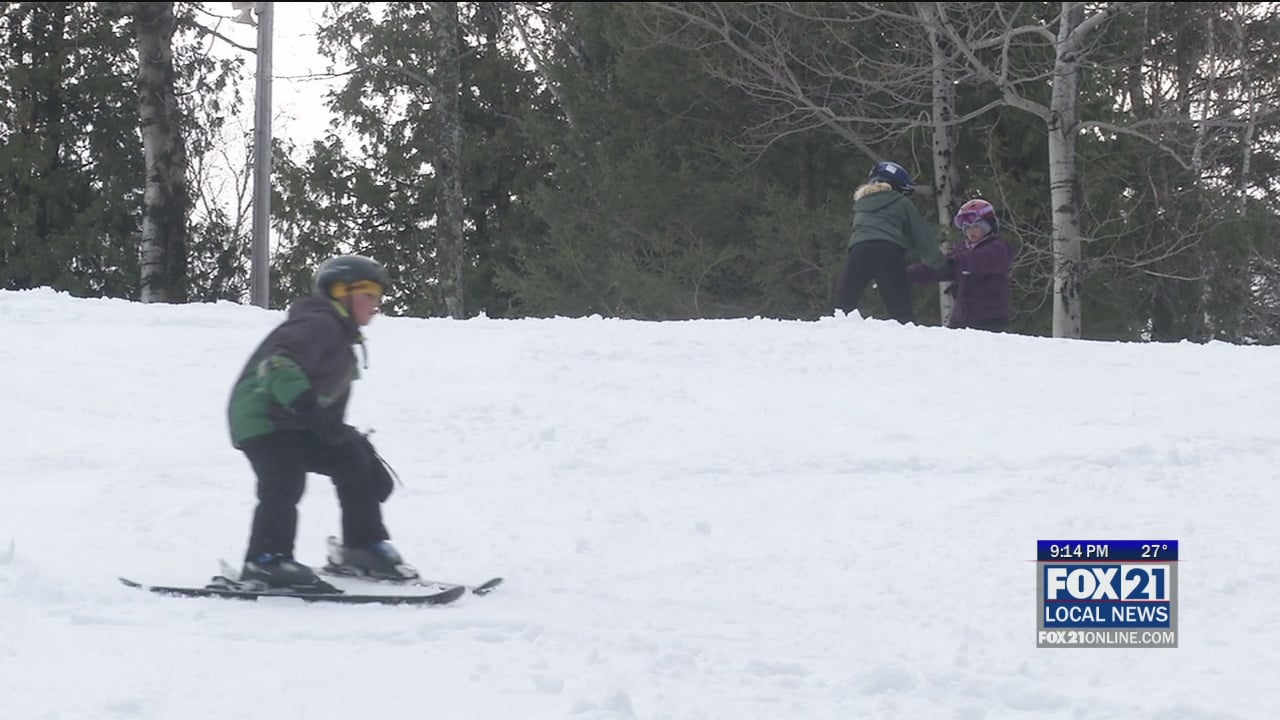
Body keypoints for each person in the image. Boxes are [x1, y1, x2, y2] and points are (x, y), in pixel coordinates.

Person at [225, 254, 417, 589]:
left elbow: (331, 421)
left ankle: (362, 547)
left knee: (351, 456)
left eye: (379, 297)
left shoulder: (342, 339)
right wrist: (314, 414)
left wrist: (352, 447)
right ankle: (266, 560)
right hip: (261, 418)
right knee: (284, 477)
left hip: (294, 422)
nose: (376, 304)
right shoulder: (319, 323)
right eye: (369, 294)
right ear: (341, 292)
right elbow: (277, 364)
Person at [834, 160, 948, 323]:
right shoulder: (901, 203)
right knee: (901, 312)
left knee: (844, 305)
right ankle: (908, 340)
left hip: (859, 251)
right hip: (888, 251)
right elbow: (921, 236)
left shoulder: (860, 205)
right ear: (898, 187)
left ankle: (833, 338)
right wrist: (939, 262)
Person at [907, 198, 1013, 332]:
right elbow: (938, 270)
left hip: (989, 320)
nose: (971, 231)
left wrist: (949, 262)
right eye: (967, 227)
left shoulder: (997, 249)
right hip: (961, 320)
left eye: (976, 226)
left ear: (988, 226)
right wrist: (904, 274)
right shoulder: (962, 249)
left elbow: (973, 261)